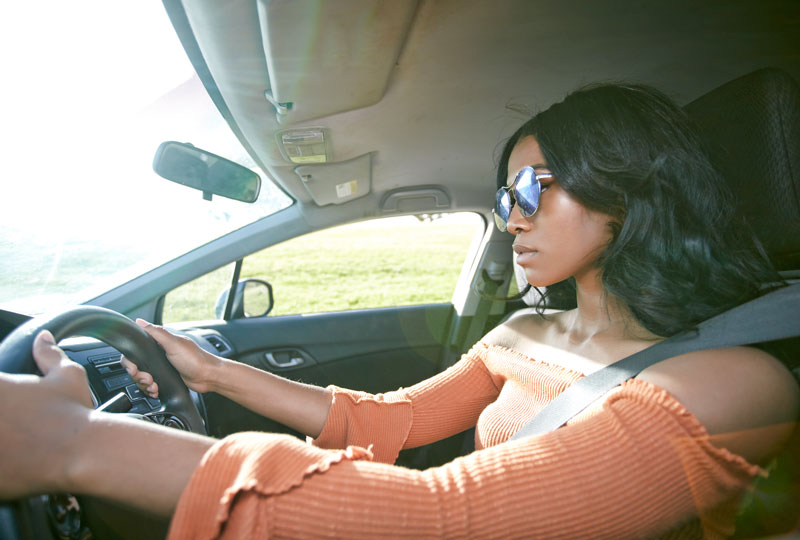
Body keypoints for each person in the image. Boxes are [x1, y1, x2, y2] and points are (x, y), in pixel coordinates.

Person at [2, 83, 799, 539]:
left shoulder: (733, 382)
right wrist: (213, 371)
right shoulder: (526, 331)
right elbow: (390, 422)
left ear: (627, 194)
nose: (512, 217)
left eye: (530, 190)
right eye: (502, 197)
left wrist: (77, 444)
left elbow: (454, 519)